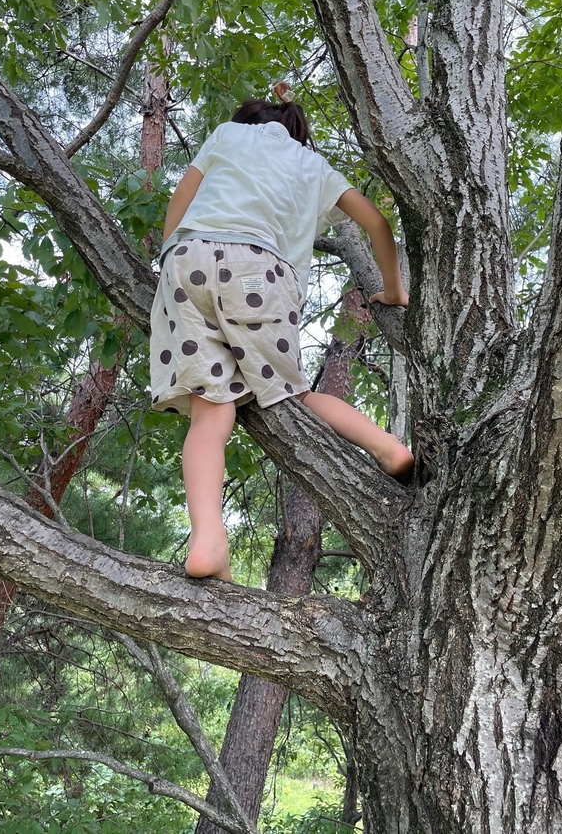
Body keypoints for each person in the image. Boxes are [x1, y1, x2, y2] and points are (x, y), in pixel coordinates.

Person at [149, 82, 413, 581]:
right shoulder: (315, 167)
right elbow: (378, 224)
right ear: (299, 134)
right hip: (259, 272)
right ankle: (388, 447)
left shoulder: (226, 136)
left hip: (186, 264)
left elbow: (182, 196)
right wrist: (393, 291)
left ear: (251, 122)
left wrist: (169, 259)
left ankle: (208, 538)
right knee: (292, 393)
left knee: (210, 414)